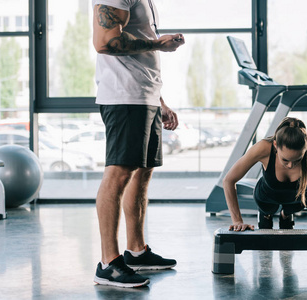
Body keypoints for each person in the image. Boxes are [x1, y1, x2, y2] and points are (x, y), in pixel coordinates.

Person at [91, 0, 185, 288]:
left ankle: (136, 251)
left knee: (141, 173)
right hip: (124, 97)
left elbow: (137, 48)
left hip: (144, 96)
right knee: (119, 174)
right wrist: (158, 45)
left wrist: (159, 101)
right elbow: (106, 41)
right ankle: (108, 263)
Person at [223, 117, 307, 232]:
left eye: (297, 160)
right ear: (275, 145)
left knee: (291, 210)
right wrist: (237, 221)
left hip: (298, 200)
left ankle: (285, 215)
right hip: (266, 197)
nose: (290, 165)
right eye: (285, 160)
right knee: (267, 211)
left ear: (306, 148)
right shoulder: (263, 148)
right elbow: (229, 180)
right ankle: (266, 215)